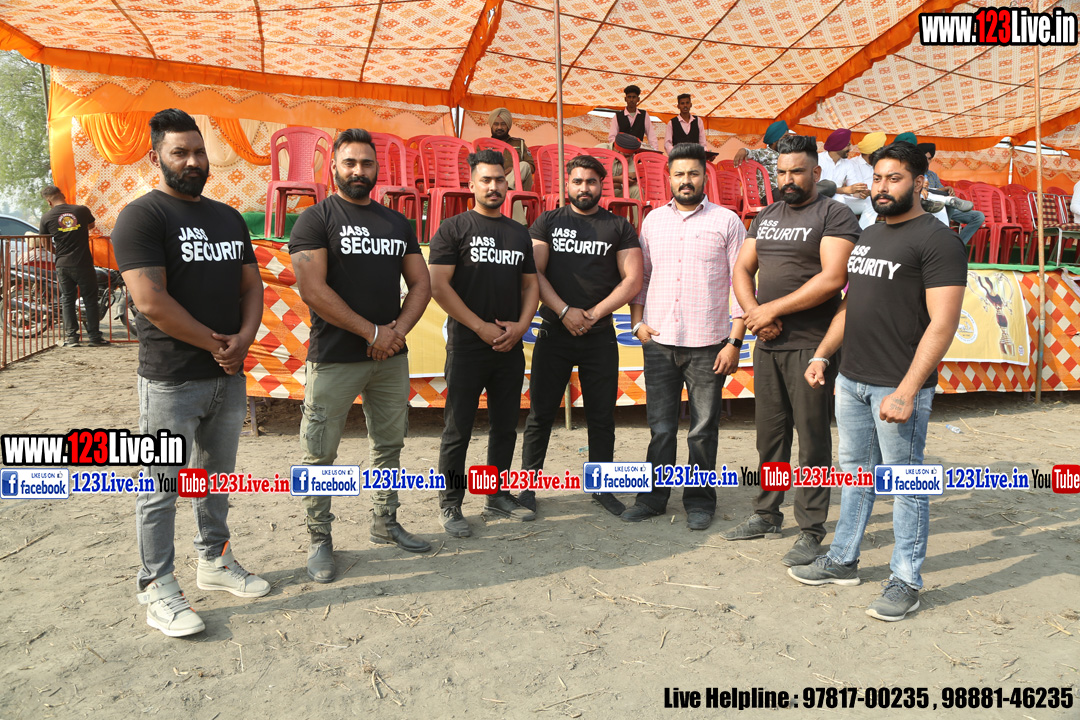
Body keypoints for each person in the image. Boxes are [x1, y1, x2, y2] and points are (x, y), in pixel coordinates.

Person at [789, 142, 967, 622]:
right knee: (856, 474)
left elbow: (943, 323)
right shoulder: (869, 235)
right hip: (852, 379)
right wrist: (823, 354)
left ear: (920, 183)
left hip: (897, 385)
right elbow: (852, 305)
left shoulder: (938, 241)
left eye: (894, 178)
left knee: (906, 482)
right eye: (878, 178)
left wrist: (907, 391)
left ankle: (906, 580)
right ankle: (843, 559)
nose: (882, 187)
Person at [113, 108, 269, 638]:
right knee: (161, 488)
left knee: (215, 478)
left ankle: (214, 560)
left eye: (199, 151)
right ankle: (156, 586)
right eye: (179, 152)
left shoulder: (228, 218)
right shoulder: (142, 217)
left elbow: (252, 286)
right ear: (156, 156)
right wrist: (217, 344)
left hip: (227, 375)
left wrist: (244, 339)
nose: (192, 161)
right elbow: (150, 301)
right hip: (171, 379)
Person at [288, 128, 433, 584]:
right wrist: (372, 332)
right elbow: (313, 289)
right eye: (349, 162)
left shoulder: (397, 224)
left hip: (389, 358)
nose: (358, 171)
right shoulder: (314, 219)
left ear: (376, 169)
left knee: (389, 446)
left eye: (366, 163)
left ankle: (385, 522)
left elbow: (422, 284)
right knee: (319, 454)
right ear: (333, 166)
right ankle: (319, 538)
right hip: (334, 356)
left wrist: (395, 334)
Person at [720, 135, 860, 566]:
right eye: (781, 172)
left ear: (816, 172)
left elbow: (833, 278)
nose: (787, 180)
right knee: (770, 435)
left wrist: (771, 310)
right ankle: (767, 513)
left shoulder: (834, 214)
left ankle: (811, 529)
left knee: (812, 440)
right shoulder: (766, 216)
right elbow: (742, 269)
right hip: (768, 344)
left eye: (796, 171)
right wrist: (755, 314)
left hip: (811, 346)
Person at [626, 143, 746, 530]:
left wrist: (735, 342)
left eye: (693, 173)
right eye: (679, 174)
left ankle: (699, 501)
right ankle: (652, 498)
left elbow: (742, 285)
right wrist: (638, 323)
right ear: (669, 178)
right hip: (659, 342)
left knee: (703, 430)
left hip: (709, 344)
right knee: (660, 428)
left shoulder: (728, 222)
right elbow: (642, 278)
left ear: (704, 176)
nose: (686, 180)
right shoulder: (652, 222)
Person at [520, 155, 643, 515]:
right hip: (554, 332)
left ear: (602, 185)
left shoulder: (619, 226)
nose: (584, 188)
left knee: (602, 416)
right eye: (577, 181)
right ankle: (527, 488)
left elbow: (633, 280)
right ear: (567, 184)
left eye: (591, 181)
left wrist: (593, 314)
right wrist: (563, 311)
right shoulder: (548, 221)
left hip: (599, 334)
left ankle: (602, 488)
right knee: (540, 414)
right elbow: (534, 272)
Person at [429, 149, 540, 537]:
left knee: (505, 426)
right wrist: (479, 327)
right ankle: (450, 503)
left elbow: (531, 285)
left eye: (499, 180)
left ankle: (496, 494)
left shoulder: (518, 233)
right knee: (457, 428)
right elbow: (438, 285)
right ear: (471, 184)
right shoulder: (453, 228)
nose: (493, 186)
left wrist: (521, 327)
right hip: (467, 345)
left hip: (509, 346)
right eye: (486, 180)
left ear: (508, 183)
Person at [38, 185, 108, 347]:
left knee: (67, 300)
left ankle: (71, 338)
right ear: (63, 195)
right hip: (83, 263)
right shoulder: (81, 210)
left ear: (49, 202)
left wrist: (56, 252)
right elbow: (91, 226)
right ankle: (95, 338)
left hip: (63, 264)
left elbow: (44, 242)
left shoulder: (47, 217)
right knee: (90, 299)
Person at [733, 120, 836, 200]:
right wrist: (743, 150)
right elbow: (750, 153)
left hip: (790, 189)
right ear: (775, 139)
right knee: (813, 192)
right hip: (772, 194)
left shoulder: (786, 155)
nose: (788, 140)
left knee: (828, 185)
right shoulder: (764, 153)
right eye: (785, 137)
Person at [917, 143, 984, 246]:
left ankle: (957, 246)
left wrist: (946, 189)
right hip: (925, 206)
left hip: (941, 206)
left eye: (929, 159)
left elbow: (939, 191)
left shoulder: (932, 175)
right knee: (946, 203)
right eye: (924, 158)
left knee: (978, 216)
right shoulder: (912, 173)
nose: (927, 161)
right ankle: (946, 242)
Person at [839, 132, 885, 228]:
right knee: (871, 203)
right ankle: (862, 233)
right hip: (851, 200)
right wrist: (868, 192)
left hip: (874, 197)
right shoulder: (852, 163)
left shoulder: (880, 164)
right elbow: (857, 188)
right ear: (872, 152)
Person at [488, 108, 535, 192]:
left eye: (503, 124)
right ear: (491, 125)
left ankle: (504, 189)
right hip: (492, 184)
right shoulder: (484, 145)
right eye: (496, 124)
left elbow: (531, 167)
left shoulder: (519, 143)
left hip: (518, 187)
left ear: (508, 126)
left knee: (524, 165)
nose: (499, 127)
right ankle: (504, 190)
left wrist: (514, 170)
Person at [608, 85, 657, 150]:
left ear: (638, 99)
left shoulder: (644, 115)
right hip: (622, 151)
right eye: (629, 97)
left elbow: (651, 136)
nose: (631, 100)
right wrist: (617, 150)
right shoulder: (618, 116)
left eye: (634, 97)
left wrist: (655, 151)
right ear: (625, 99)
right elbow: (612, 137)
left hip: (638, 151)